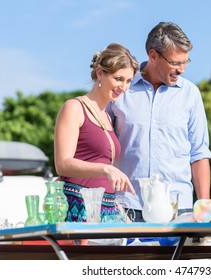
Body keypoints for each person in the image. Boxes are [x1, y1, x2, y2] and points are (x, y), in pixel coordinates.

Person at [108, 22, 211, 222]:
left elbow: (199, 153)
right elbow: (103, 148)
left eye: (186, 62)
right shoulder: (121, 89)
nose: (182, 69)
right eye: (175, 63)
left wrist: (204, 210)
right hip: (128, 207)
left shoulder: (190, 94)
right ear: (153, 55)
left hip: (178, 209)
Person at [54, 43, 139, 223]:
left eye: (128, 81)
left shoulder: (107, 117)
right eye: (118, 79)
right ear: (100, 73)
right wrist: (106, 169)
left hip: (108, 211)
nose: (123, 87)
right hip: (77, 209)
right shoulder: (74, 108)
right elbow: (62, 164)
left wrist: (120, 212)